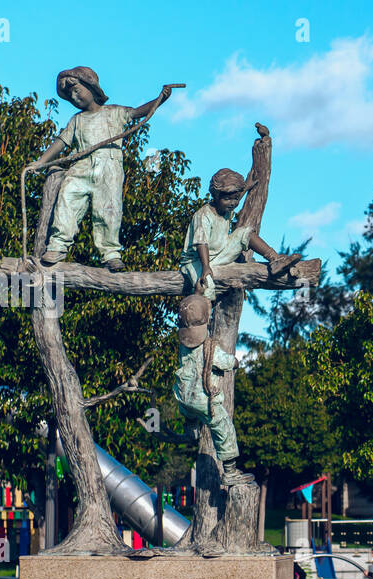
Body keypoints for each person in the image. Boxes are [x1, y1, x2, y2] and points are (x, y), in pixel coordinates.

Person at [30, 67, 174, 270]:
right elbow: (61, 141)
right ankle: (58, 245)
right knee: (67, 199)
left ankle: (110, 253)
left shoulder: (114, 112)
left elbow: (137, 112)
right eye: (70, 95)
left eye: (77, 90)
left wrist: (161, 99)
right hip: (81, 167)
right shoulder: (77, 120)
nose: (75, 96)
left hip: (109, 167)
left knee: (109, 209)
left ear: (91, 87)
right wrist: (41, 161)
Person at [179, 164, 300, 300]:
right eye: (227, 199)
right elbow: (202, 243)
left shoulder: (226, 208)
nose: (232, 203)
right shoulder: (203, 215)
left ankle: (274, 259)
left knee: (245, 233)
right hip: (198, 261)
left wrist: (247, 186)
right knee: (207, 287)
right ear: (216, 196)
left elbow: (234, 197)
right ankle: (199, 311)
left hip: (220, 253)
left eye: (235, 199)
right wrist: (206, 267)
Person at [173, 294, 250, 487]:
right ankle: (230, 471)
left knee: (190, 411)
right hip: (203, 401)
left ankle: (191, 427)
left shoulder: (184, 347)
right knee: (224, 428)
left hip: (182, 398)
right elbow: (226, 362)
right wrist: (235, 362)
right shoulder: (210, 348)